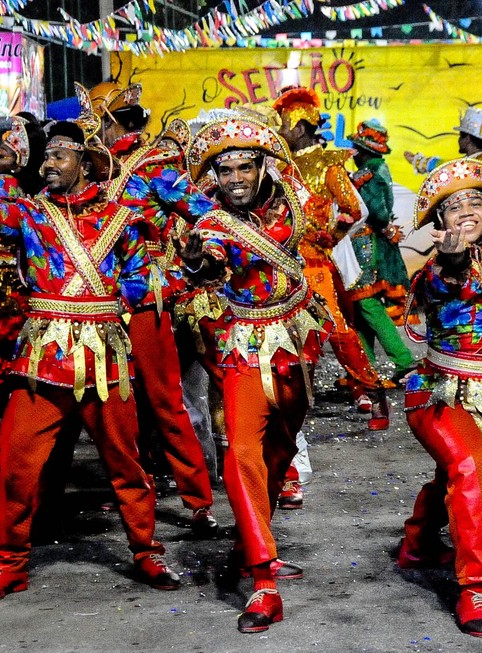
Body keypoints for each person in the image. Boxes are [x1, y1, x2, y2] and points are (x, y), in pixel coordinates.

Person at [0, 114, 182, 602]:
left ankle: (145, 550)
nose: (48, 164)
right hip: (43, 361)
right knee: (15, 465)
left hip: (104, 361)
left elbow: (156, 276)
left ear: (86, 163)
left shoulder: (123, 216)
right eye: (46, 156)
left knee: (127, 465)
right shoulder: (31, 214)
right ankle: (8, 563)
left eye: (59, 156)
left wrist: (120, 293)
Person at [181, 115, 333, 632]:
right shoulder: (210, 225)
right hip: (244, 347)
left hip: (295, 342)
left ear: (264, 166)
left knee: (280, 450)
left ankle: (255, 535)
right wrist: (199, 262)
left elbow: (325, 223)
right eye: (226, 172)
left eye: (246, 167)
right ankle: (263, 578)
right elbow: (212, 262)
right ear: (215, 178)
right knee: (242, 449)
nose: (237, 179)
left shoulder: (291, 198)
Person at [397, 158, 482, 638]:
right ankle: (475, 587)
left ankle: (416, 542)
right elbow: (441, 285)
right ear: (441, 224)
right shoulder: (437, 268)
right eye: (452, 207)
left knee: (457, 472)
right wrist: (454, 259)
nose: (465, 211)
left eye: (474, 201)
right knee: (471, 469)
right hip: (439, 393)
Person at [84, 80, 219, 536]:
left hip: (144, 297)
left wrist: (203, 251)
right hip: (95, 301)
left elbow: (201, 209)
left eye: (95, 122)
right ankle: (130, 491)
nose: (91, 130)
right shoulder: (93, 168)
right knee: (111, 402)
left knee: (165, 400)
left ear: (107, 122)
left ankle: (199, 499)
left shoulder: (152, 165)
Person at [274, 86, 390, 511]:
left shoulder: (328, 162)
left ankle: (372, 390)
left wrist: (331, 237)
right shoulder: (277, 165)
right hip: (284, 264)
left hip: (317, 265)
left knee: (339, 333)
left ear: (301, 122)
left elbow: (354, 208)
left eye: (285, 122)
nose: (281, 129)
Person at [346, 119, 415, 382]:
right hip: (373, 241)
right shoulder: (378, 169)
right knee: (361, 305)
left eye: (355, 149)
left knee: (367, 302)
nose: (353, 154)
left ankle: (403, 360)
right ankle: (365, 367)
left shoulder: (369, 173)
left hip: (369, 245)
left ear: (365, 151)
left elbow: (376, 212)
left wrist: (384, 227)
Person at [404, 106, 482, 173]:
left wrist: (418, 161)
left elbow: (450, 168)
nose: (458, 141)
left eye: (460, 136)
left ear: (467, 139)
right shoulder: (476, 160)